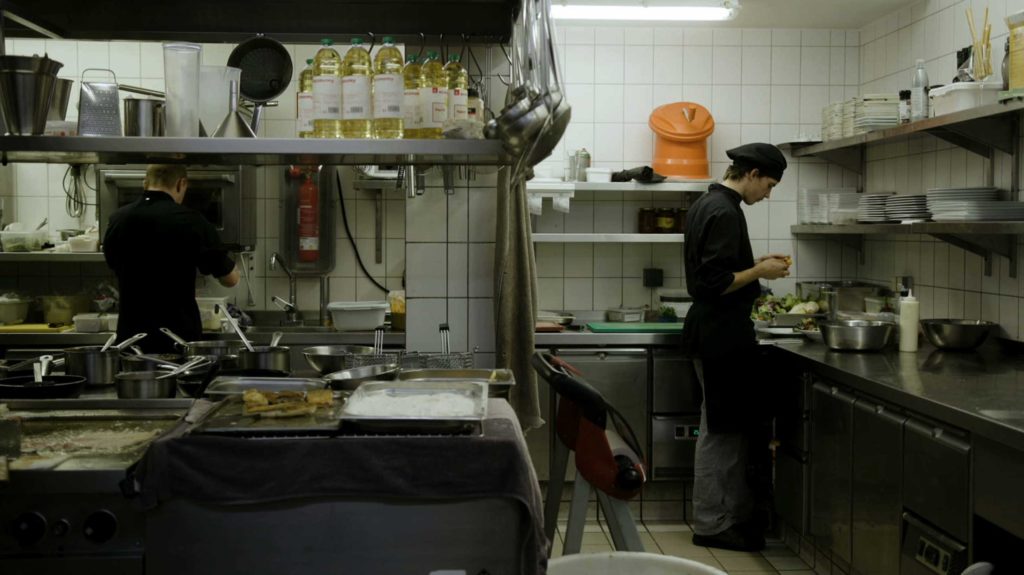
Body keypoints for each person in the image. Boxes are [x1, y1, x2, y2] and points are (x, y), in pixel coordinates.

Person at [680, 143, 791, 552]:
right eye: (770, 185)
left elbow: (719, 271)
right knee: (720, 433)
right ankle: (712, 524)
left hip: (712, 334)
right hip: (719, 336)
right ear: (753, 174)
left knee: (722, 429)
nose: (768, 194)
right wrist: (760, 270)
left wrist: (755, 266)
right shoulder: (725, 211)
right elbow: (712, 283)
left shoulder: (707, 204)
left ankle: (722, 518)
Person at [103, 164, 240, 354]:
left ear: (145, 183)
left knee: (134, 383)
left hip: (132, 340)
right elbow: (230, 279)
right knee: (180, 384)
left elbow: (113, 263)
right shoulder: (192, 221)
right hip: (178, 339)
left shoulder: (117, 219)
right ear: (181, 184)